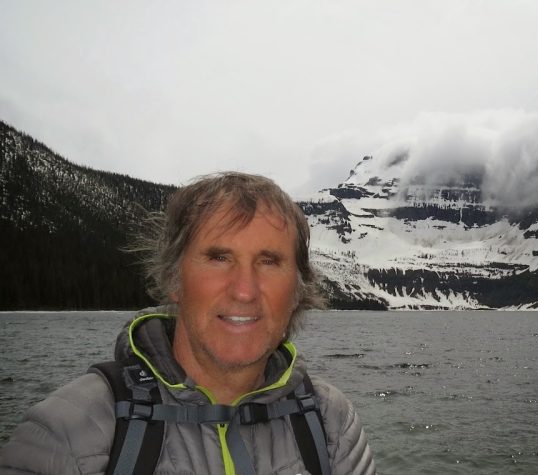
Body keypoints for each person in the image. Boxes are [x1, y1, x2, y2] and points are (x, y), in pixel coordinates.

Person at [0, 172, 376, 474]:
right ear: (174, 280)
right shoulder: (71, 432)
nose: (244, 290)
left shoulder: (330, 423)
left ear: (298, 290)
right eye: (218, 257)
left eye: (269, 261)